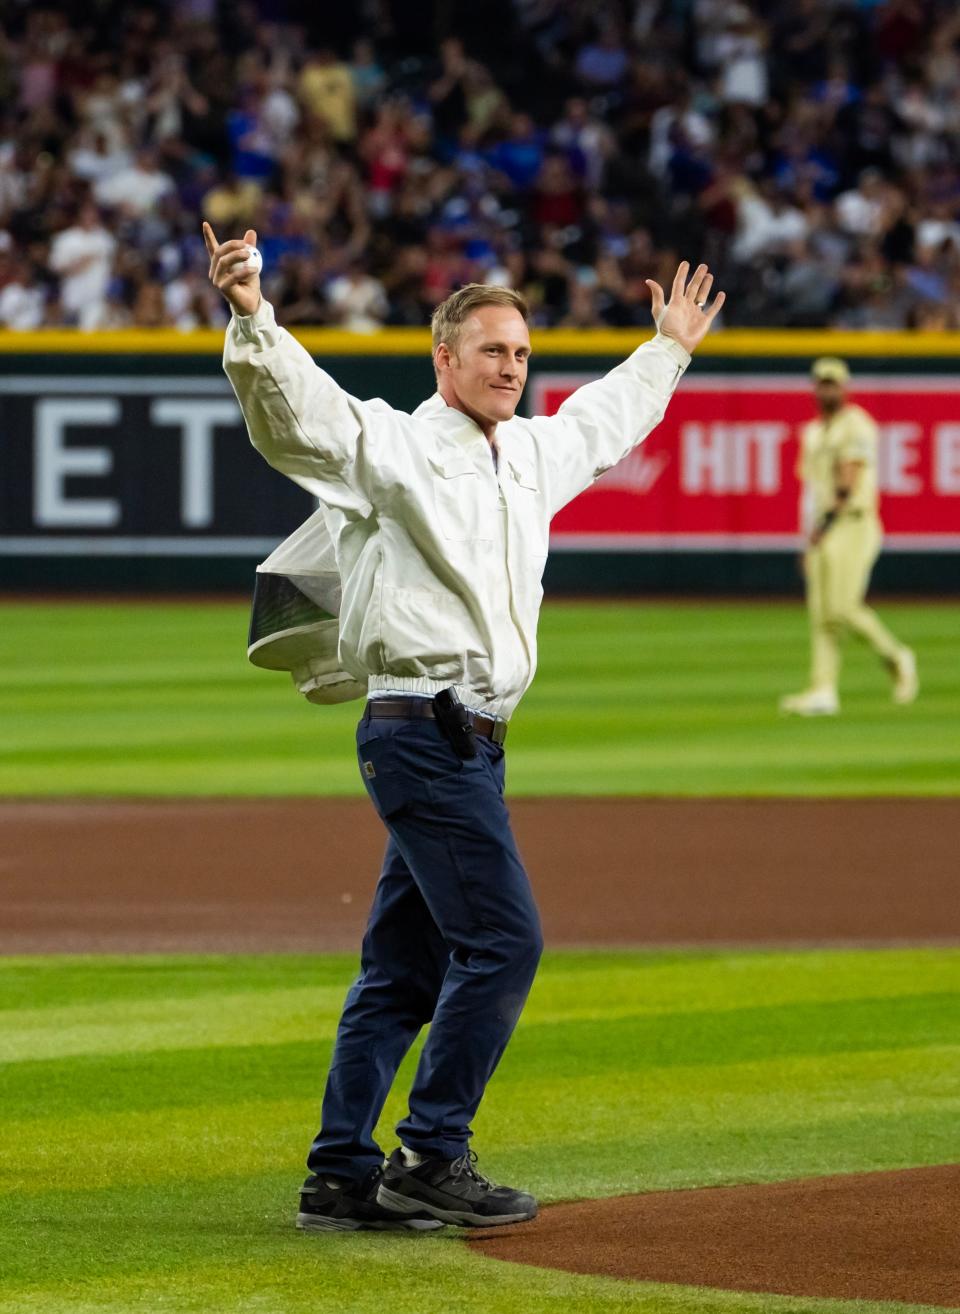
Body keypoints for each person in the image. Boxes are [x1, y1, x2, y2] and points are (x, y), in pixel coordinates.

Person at [203, 219, 724, 1232]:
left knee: (405, 967)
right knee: (504, 940)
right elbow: (297, 416)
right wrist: (252, 316)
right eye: (491, 349)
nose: (511, 368)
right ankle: (433, 1151)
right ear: (443, 358)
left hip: (471, 747)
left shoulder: (529, 456)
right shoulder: (393, 447)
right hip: (419, 733)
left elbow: (603, 420)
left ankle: (340, 1171)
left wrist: (668, 348)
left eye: (522, 353)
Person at [780, 357, 917, 716]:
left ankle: (896, 654)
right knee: (821, 615)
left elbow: (847, 480)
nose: (826, 389)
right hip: (823, 527)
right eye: (821, 383)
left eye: (833, 383)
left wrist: (821, 526)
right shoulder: (812, 431)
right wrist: (806, 535)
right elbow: (811, 489)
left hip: (853, 523)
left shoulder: (856, 424)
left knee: (842, 607)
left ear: (845, 387)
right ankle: (823, 690)